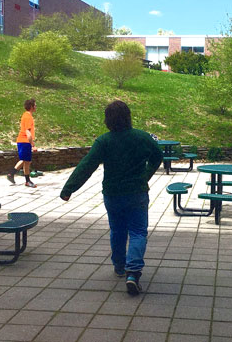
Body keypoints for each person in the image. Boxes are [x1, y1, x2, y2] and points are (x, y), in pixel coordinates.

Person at [60, 100, 163, 295]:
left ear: (108, 120)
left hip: (113, 194)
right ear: (128, 117)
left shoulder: (104, 141)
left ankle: (119, 266)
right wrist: (146, 175)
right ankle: (133, 273)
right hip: (137, 193)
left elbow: (87, 166)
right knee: (138, 232)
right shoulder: (142, 137)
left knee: (117, 230)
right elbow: (158, 156)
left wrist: (69, 189)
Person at [7, 99, 38, 188]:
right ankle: (12, 174)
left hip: (23, 141)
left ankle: (26, 180)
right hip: (24, 141)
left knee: (26, 161)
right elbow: (28, 132)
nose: (36, 107)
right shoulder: (28, 117)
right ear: (31, 107)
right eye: (35, 105)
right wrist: (33, 145)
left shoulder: (25, 115)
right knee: (25, 160)